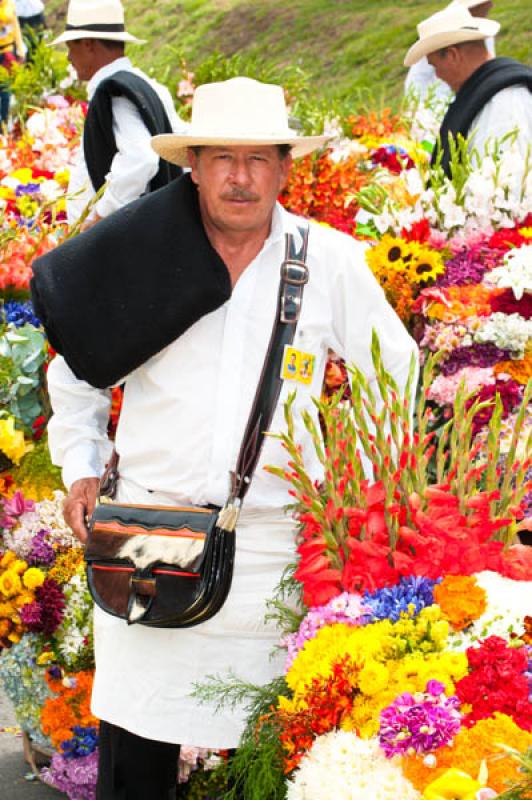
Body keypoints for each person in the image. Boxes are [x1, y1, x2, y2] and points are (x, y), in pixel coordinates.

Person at [44, 76, 418, 799]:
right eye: (221, 157)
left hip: (278, 554)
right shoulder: (140, 250)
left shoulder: (329, 260)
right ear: (195, 164)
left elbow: (393, 382)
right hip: (147, 540)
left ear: (285, 167)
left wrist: (361, 497)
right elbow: (77, 372)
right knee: (137, 755)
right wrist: (81, 466)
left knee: (272, 758)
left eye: (258, 159)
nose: (240, 178)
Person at [51, 0, 185, 227]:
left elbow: (141, 158)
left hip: (123, 238)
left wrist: (100, 218)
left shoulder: (114, 92)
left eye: (70, 47)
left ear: (87, 44)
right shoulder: (145, 85)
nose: (68, 58)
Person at [404, 2, 532, 177]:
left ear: (452, 55)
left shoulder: (504, 102)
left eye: (436, 66)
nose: (438, 76)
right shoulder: (486, 91)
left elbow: (511, 183)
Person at [404, 0, 496, 103]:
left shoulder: (481, 30)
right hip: (437, 103)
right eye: (487, 2)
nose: (492, 5)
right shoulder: (438, 30)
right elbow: (417, 78)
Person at [0, 0, 24, 126]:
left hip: (7, 52)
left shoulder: (9, 4)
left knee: (5, 90)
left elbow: (16, 27)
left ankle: (3, 125)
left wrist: (20, 50)